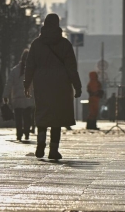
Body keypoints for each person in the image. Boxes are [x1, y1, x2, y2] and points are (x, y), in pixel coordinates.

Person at [23, 14, 82, 160]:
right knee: (57, 117)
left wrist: (27, 84)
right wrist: (77, 85)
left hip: (41, 83)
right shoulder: (65, 44)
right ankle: (53, 150)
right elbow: (71, 68)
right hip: (60, 84)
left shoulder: (36, 44)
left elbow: (30, 65)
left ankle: (41, 143)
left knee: (43, 113)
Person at [4, 50, 35, 141]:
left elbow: (9, 83)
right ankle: (26, 132)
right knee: (27, 117)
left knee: (18, 118)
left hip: (17, 98)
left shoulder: (15, 70)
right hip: (28, 97)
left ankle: (19, 134)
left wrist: (5, 95)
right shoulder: (32, 69)